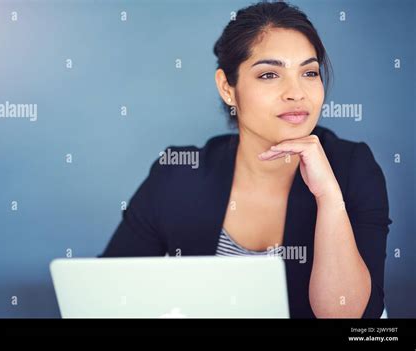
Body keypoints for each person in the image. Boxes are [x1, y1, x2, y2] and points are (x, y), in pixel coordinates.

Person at [101, 1, 392, 319]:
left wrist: (328, 197)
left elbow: (350, 319)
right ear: (228, 87)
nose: (296, 93)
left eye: (309, 72)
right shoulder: (179, 172)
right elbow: (109, 296)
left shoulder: (353, 168)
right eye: (269, 74)